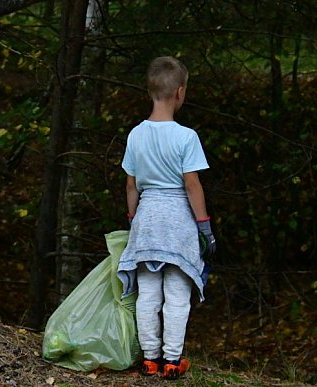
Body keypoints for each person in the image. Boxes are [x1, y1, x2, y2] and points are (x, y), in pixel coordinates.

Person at [117, 56, 216, 380]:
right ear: (180, 92)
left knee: (147, 294)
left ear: (150, 91)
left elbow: (131, 185)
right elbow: (192, 185)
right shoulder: (186, 137)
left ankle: (149, 359)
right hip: (178, 224)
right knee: (176, 294)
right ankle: (172, 360)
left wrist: (134, 218)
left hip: (147, 219)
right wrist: (205, 228)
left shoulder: (135, 135)